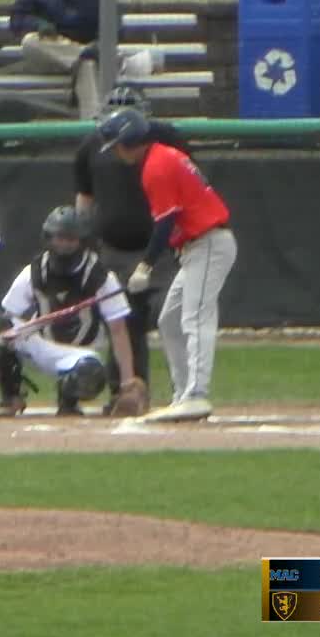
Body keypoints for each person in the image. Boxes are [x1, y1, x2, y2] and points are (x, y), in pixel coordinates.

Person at [96, 107, 235, 423]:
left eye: (117, 146)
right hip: (197, 246)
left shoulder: (156, 166)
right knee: (170, 319)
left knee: (195, 317)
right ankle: (184, 393)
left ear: (128, 141)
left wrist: (145, 266)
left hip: (208, 242)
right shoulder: (163, 155)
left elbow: (164, 223)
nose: (116, 153)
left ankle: (196, 394)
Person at [74, 86, 187, 415]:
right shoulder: (91, 146)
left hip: (162, 249)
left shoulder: (167, 141)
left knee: (173, 318)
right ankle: (127, 392)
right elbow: (84, 198)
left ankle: (187, 390)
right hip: (114, 249)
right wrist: (84, 237)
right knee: (122, 324)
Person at [0, 205, 147, 418]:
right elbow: (8, 315)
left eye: (70, 239)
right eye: (59, 238)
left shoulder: (100, 276)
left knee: (90, 374)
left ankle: (68, 400)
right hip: (39, 343)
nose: (64, 245)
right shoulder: (35, 271)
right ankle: (11, 395)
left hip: (79, 354)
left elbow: (118, 329)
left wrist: (127, 381)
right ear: (49, 238)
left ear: (81, 241)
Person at [9, 0, 101, 118]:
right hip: (49, 54)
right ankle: (83, 53)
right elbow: (17, 19)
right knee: (29, 41)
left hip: (87, 54)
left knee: (87, 64)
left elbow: (114, 22)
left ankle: (92, 124)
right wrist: (39, 24)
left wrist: (99, 43)